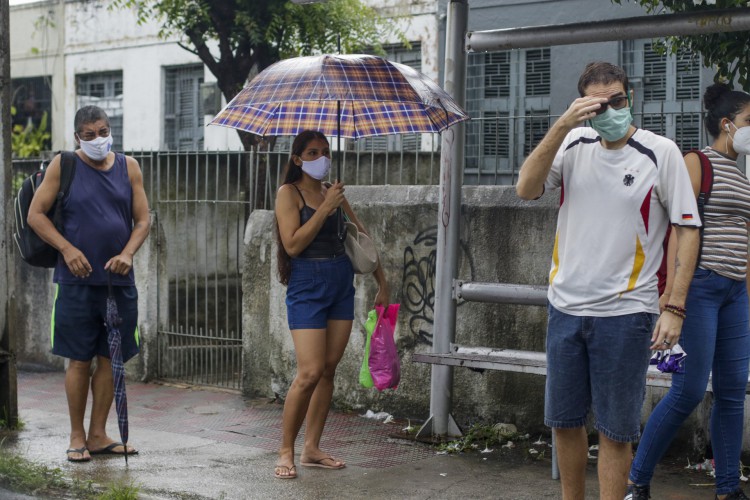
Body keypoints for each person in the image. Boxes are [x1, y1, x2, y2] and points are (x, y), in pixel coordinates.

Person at [516, 61, 701, 500]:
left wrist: (674, 307)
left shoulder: (661, 152)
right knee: (564, 423)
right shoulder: (573, 143)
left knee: (616, 431)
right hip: (565, 307)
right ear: (583, 106)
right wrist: (562, 125)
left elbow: (688, 229)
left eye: (617, 100)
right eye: (598, 104)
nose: (610, 110)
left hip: (626, 312)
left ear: (629, 97)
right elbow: (525, 188)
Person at [627, 84, 750, 500]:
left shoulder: (744, 170)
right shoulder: (696, 162)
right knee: (689, 391)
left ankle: (728, 489)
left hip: (735, 293)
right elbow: (682, 226)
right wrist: (672, 297)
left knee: (733, 393)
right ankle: (637, 480)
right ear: (727, 124)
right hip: (699, 288)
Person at [27, 105, 151, 462]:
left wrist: (127, 254)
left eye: (103, 131)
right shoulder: (64, 165)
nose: (99, 139)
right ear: (78, 136)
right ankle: (77, 435)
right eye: (90, 134)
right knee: (78, 361)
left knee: (111, 360)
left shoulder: (129, 167)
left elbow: (142, 221)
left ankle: (98, 434)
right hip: (75, 283)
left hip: (118, 283)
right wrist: (66, 249)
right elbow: (36, 215)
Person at [273, 130, 389, 479]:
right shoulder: (288, 194)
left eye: (324, 151)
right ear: (297, 159)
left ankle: (312, 449)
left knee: (328, 370)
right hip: (307, 283)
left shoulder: (331, 192)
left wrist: (383, 281)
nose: (320, 157)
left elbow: (360, 233)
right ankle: (285, 450)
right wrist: (324, 209)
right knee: (308, 372)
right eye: (312, 152)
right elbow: (293, 245)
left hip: (340, 281)